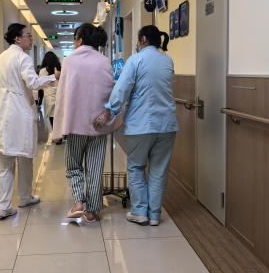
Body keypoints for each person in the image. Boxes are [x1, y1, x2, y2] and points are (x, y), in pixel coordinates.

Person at [94, 25, 178, 226]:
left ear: (143, 39)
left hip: (141, 125)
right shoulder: (167, 61)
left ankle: (140, 211)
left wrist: (108, 111)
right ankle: (154, 214)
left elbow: (122, 89)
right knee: (158, 170)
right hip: (167, 125)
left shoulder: (136, 60)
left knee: (136, 166)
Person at [0, 23, 59, 220]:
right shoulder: (23, 57)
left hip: (2, 110)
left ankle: (3, 206)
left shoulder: (2, 57)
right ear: (17, 39)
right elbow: (33, 83)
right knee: (25, 157)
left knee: (5, 160)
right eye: (28, 35)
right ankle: (24, 197)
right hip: (19, 111)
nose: (30, 39)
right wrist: (53, 77)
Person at [53, 23, 117, 223]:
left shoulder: (69, 61)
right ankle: (93, 211)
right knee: (95, 168)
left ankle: (79, 202)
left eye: (75, 39)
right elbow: (111, 90)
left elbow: (63, 95)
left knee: (73, 165)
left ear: (79, 39)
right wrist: (106, 114)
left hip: (75, 124)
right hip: (99, 123)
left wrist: (60, 125)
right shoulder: (104, 61)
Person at [39, 51, 61, 132]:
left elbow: (40, 85)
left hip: (49, 97)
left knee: (52, 117)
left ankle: (56, 134)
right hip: (59, 96)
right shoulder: (60, 69)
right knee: (60, 117)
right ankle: (61, 134)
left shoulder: (43, 71)